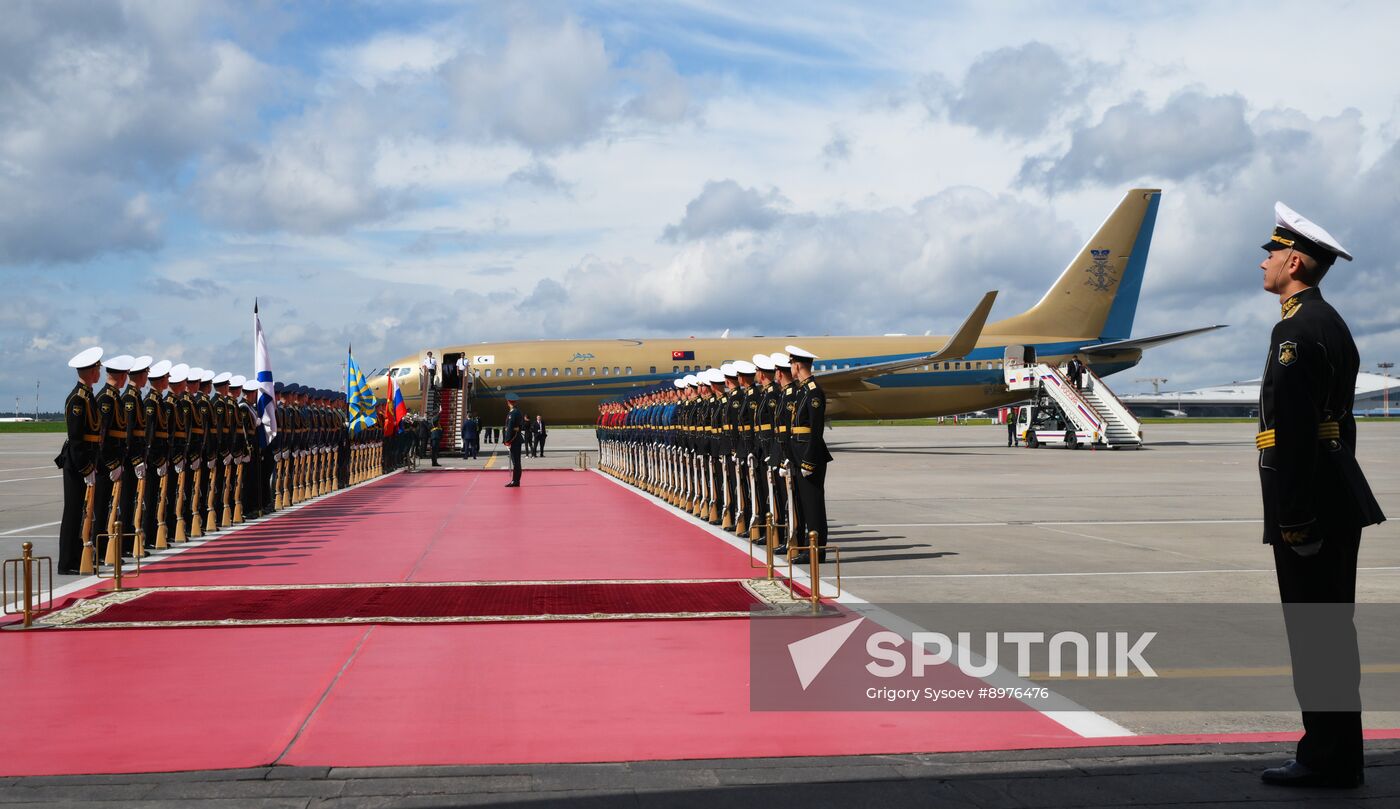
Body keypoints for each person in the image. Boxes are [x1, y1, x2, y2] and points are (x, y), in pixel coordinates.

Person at [1255, 201, 1385, 789]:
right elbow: (1339, 428)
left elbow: (1301, 432)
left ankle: (1326, 757)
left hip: (1313, 507)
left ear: (1296, 260)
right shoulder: (1326, 323)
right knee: (1330, 632)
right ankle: (1336, 754)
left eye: (1272, 253)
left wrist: (1297, 517)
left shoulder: (1297, 330)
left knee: (1317, 636)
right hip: (1336, 496)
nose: (1264, 263)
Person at [56, 347, 104, 574]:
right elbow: (76, 439)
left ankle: (77, 558)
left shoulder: (88, 396)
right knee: (74, 512)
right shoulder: (77, 399)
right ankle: (67, 562)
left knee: (82, 512)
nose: (99, 372)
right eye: (97, 368)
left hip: (86, 461)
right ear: (90, 370)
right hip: (76, 463)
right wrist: (85, 468)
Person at [786, 345, 832, 564]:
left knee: (813, 504)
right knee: (804, 504)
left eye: (792, 365)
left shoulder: (814, 392)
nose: (791, 370)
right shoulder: (803, 390)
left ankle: (817, 550)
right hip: (799, 452)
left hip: (809, 455)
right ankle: (808, 546)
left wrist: (809, 460)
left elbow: (816, 431)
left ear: (797, 365)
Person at [503, 393, 524, 486]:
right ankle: (516, 480)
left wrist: (507, 441)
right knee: (517, 461)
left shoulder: (513, 413)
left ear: (508, 402)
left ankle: (515, 481)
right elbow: (520, 426)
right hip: (517, 439)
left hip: (514, 440)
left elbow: (510, 427)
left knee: (515, 462)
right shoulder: (518, 411)